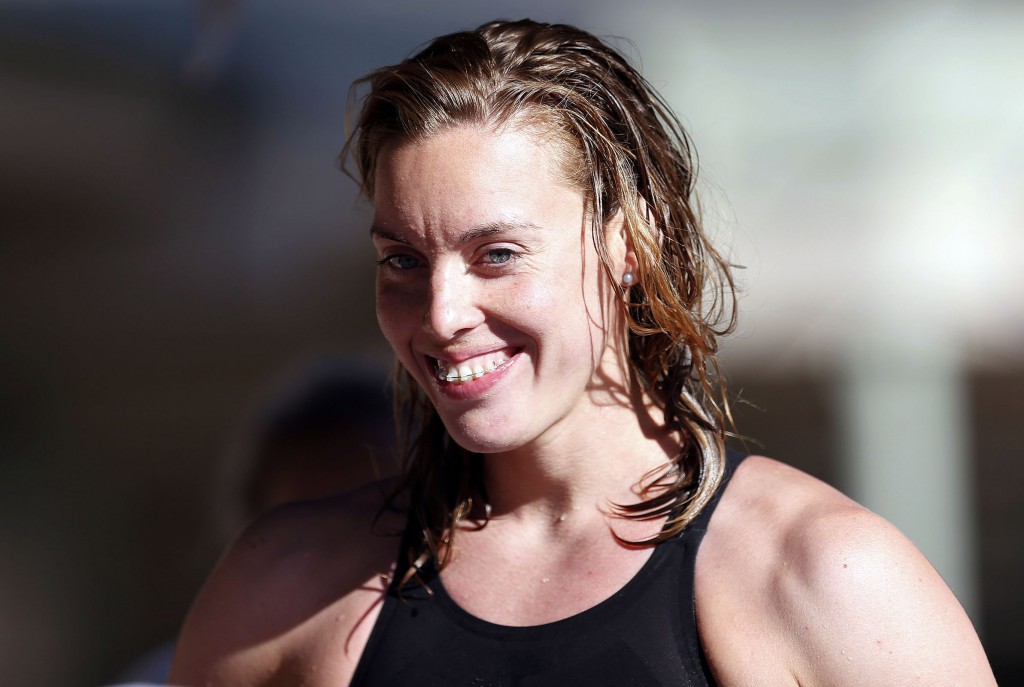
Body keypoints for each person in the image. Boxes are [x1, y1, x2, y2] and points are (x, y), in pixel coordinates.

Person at [169, 19, 996, 686]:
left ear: (630, 241)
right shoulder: (285, 589)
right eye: (403, 260)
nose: (441, 313)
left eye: (497, 253)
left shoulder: (823, 578)